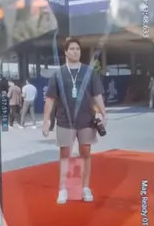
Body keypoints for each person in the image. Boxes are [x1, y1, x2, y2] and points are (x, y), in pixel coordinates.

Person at [42, 38, 107, 205]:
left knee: (86, 153)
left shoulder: (89, 72)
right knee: (65, 155)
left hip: (87, 120)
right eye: (72, 49)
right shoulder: (57, 74)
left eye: (78, 49)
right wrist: (45, 122)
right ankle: (63, 189)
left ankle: (85, 188)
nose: (75, 51)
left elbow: (97, 95)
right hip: (65, 120)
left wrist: (103, 114)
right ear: (65, 52)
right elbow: (49, 99)